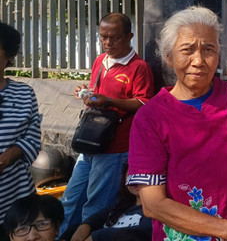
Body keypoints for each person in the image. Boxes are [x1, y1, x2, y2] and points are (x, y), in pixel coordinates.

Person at [127, 6, 227, 241]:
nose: (198, 61)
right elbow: (153, 204)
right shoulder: (150, 117)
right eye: (187, 50)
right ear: (169, 57)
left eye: (208, 49)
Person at [59, 13, 155, 236]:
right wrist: (85, 93)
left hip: (115, 148)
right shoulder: (100, 62)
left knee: (96, 205)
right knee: (71, 198)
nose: (108, 43)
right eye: (103, 37)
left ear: (129, 36)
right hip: (90, 143)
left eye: (115, 37)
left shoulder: (138, 67)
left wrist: (109, 101)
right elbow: (96, 94)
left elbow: (145, 103)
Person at [0, 23, 41, 241]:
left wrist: (7, 158)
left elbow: (33, 137)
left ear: (9, 55)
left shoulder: (24, 94)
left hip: (17, 198)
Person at [62, 164, 152, 241]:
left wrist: (97, 236)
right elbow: (97, 217)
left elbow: (140, 232)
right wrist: (84, 227)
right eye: (130, 175)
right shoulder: (121, 204)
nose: (134, 181)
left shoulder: (153, 210)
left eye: (141, 175)